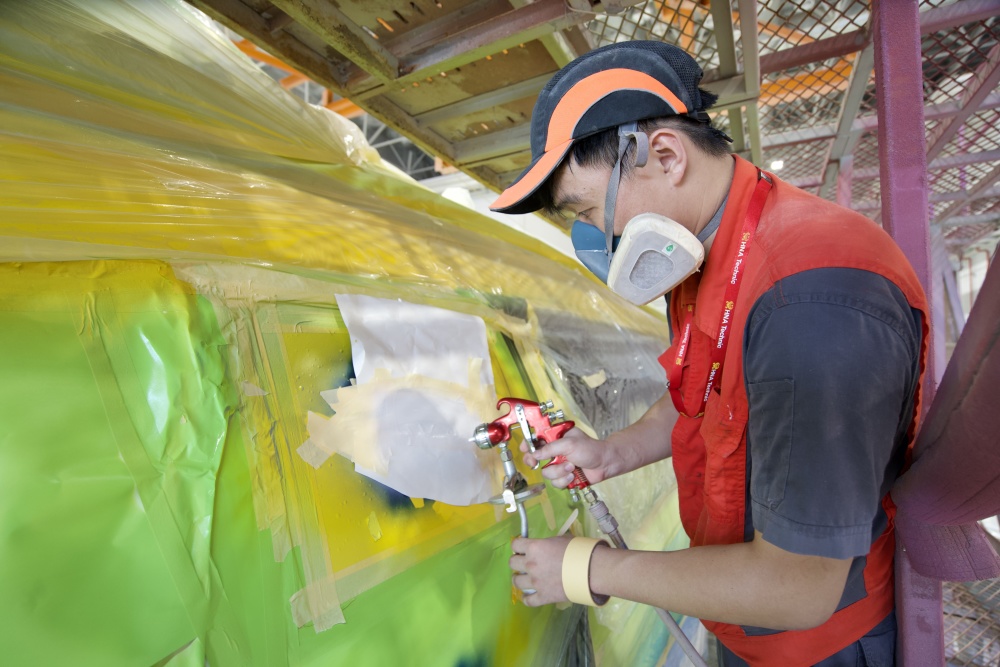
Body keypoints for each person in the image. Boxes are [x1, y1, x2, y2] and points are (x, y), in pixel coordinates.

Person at [490, 41, 927, 666]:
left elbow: (799, 586)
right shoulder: (703, 255)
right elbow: (703, 394)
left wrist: (588, 568)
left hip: (816, 647)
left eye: (588, 210)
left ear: (666, 155)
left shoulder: (810, 301)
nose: (599, 238)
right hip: (743, 621)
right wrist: (612, 453)